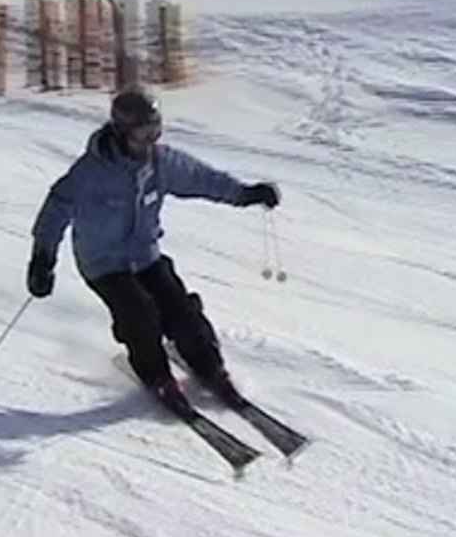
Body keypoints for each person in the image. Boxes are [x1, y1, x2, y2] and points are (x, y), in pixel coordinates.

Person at [26, 86, 280, 411]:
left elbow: (203, 179)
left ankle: (210, 368)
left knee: (182, 311)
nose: (149, 142)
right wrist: (42, 258)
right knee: (140, 314)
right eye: (142, 133)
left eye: (155, 131)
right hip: (103, 265)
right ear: (120, 132)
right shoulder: (90, 172)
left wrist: (246, 194)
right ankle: (157, 376)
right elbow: (57, 207)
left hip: (145, 256)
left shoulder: (160, 163)